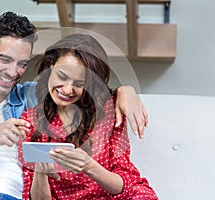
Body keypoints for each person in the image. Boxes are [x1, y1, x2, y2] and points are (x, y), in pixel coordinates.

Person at [0, 12, 147, 199]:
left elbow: (79, 91)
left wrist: (124, 91)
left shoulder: (35, 100)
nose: (12, 72)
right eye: (4, 59)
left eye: (22, 64)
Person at [18, 33, 158, 199]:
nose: (67, 90)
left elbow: (124, 185)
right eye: (62, 76)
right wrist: (40, 171)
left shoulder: (108, 111)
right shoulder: (30, 121)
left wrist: (89, 166)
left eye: (79, 83)